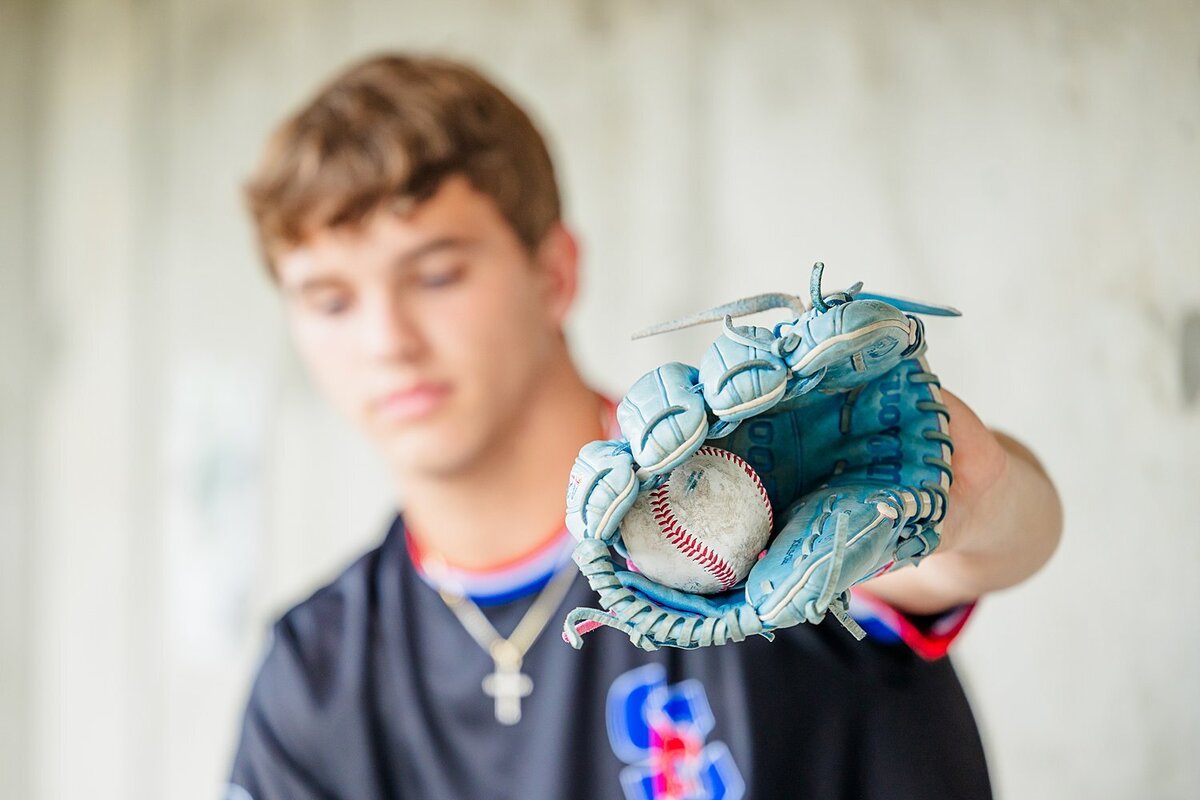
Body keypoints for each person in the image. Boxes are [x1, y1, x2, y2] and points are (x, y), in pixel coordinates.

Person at [227, 53, 1062, 800]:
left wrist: (970, 480)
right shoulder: (315, 669)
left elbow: (1000, 541)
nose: (385, 342)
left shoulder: (752, 483)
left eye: (437, 274)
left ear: (554, 274)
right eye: (329, 299)